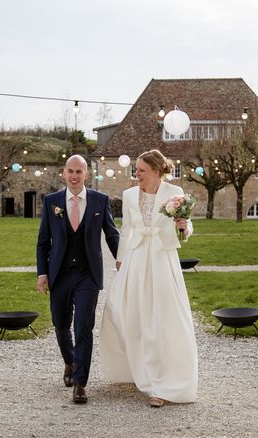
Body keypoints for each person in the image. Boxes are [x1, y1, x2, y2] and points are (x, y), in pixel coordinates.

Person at [99, 149, 198, 408]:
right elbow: (127, 229)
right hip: (136, 258)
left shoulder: (174, 192)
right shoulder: (130, 195)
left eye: (141, 170)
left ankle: (162, 383)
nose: (137, 175)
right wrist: (120, 259)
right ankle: (136, 368)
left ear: (155, 171)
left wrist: (183, 228)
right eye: (136, 170)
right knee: (127, 312)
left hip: (162, 259)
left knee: (162, 317)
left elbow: (186, 226)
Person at [36, 154, 119, 404]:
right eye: (70, 171)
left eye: (79, 172)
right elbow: (43, 242)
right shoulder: (51, 202)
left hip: (88, 274)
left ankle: (80, 383)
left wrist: (123, 259)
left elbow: (112, 235)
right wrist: (42, 273)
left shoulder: (100, 201)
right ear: (64, 173)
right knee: (61, 324)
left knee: (83, 326)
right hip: (59, 273)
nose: (74, 176)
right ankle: (70, 362)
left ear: (86, 174)